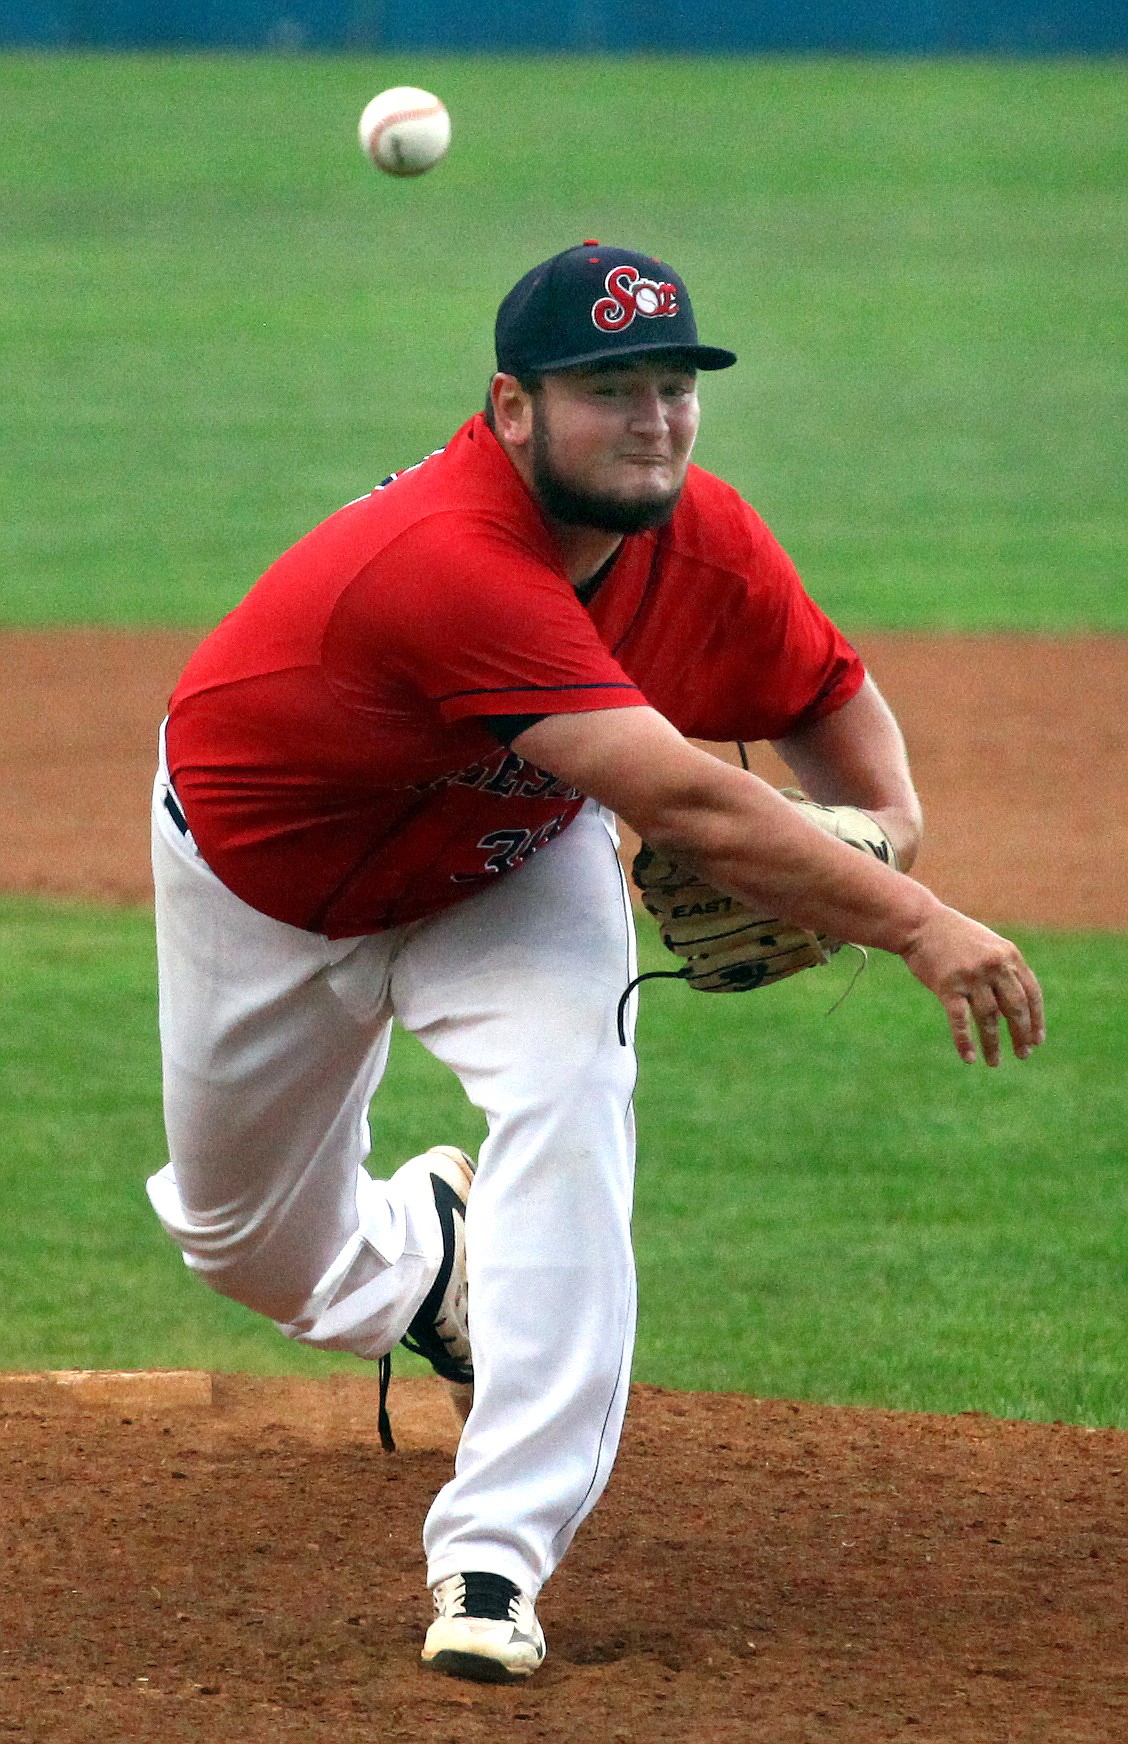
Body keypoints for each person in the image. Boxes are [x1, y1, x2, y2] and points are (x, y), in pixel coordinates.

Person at [147, 241, 1044, 1685]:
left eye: (675, 384)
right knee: (246, 1246)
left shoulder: (706, 544)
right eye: (609, 386)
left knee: (571, 1101)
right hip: (266, 891)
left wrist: (889, 833)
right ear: (512, 408)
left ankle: (496, 1554)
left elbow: (824, 693)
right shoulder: (446, 558)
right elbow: (687, 801)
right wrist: (921, 925)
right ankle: (439, 1260)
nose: (653, 418)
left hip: (508, 872)